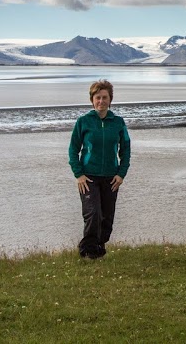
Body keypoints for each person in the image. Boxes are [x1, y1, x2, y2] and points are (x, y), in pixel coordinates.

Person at [68, 79, 131, 259]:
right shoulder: (83, 122)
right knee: (93, 213)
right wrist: (78, 174)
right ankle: (87, 251)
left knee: (107, 219)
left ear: (110, 100)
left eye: (105, 98)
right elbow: (73, 149)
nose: (101, 101)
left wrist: (121, 174)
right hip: (88, 178)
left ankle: (99, 248)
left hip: (111, 178)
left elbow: (125, 149)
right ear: (92, 100)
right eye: (97, 98)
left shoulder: (118, 122)